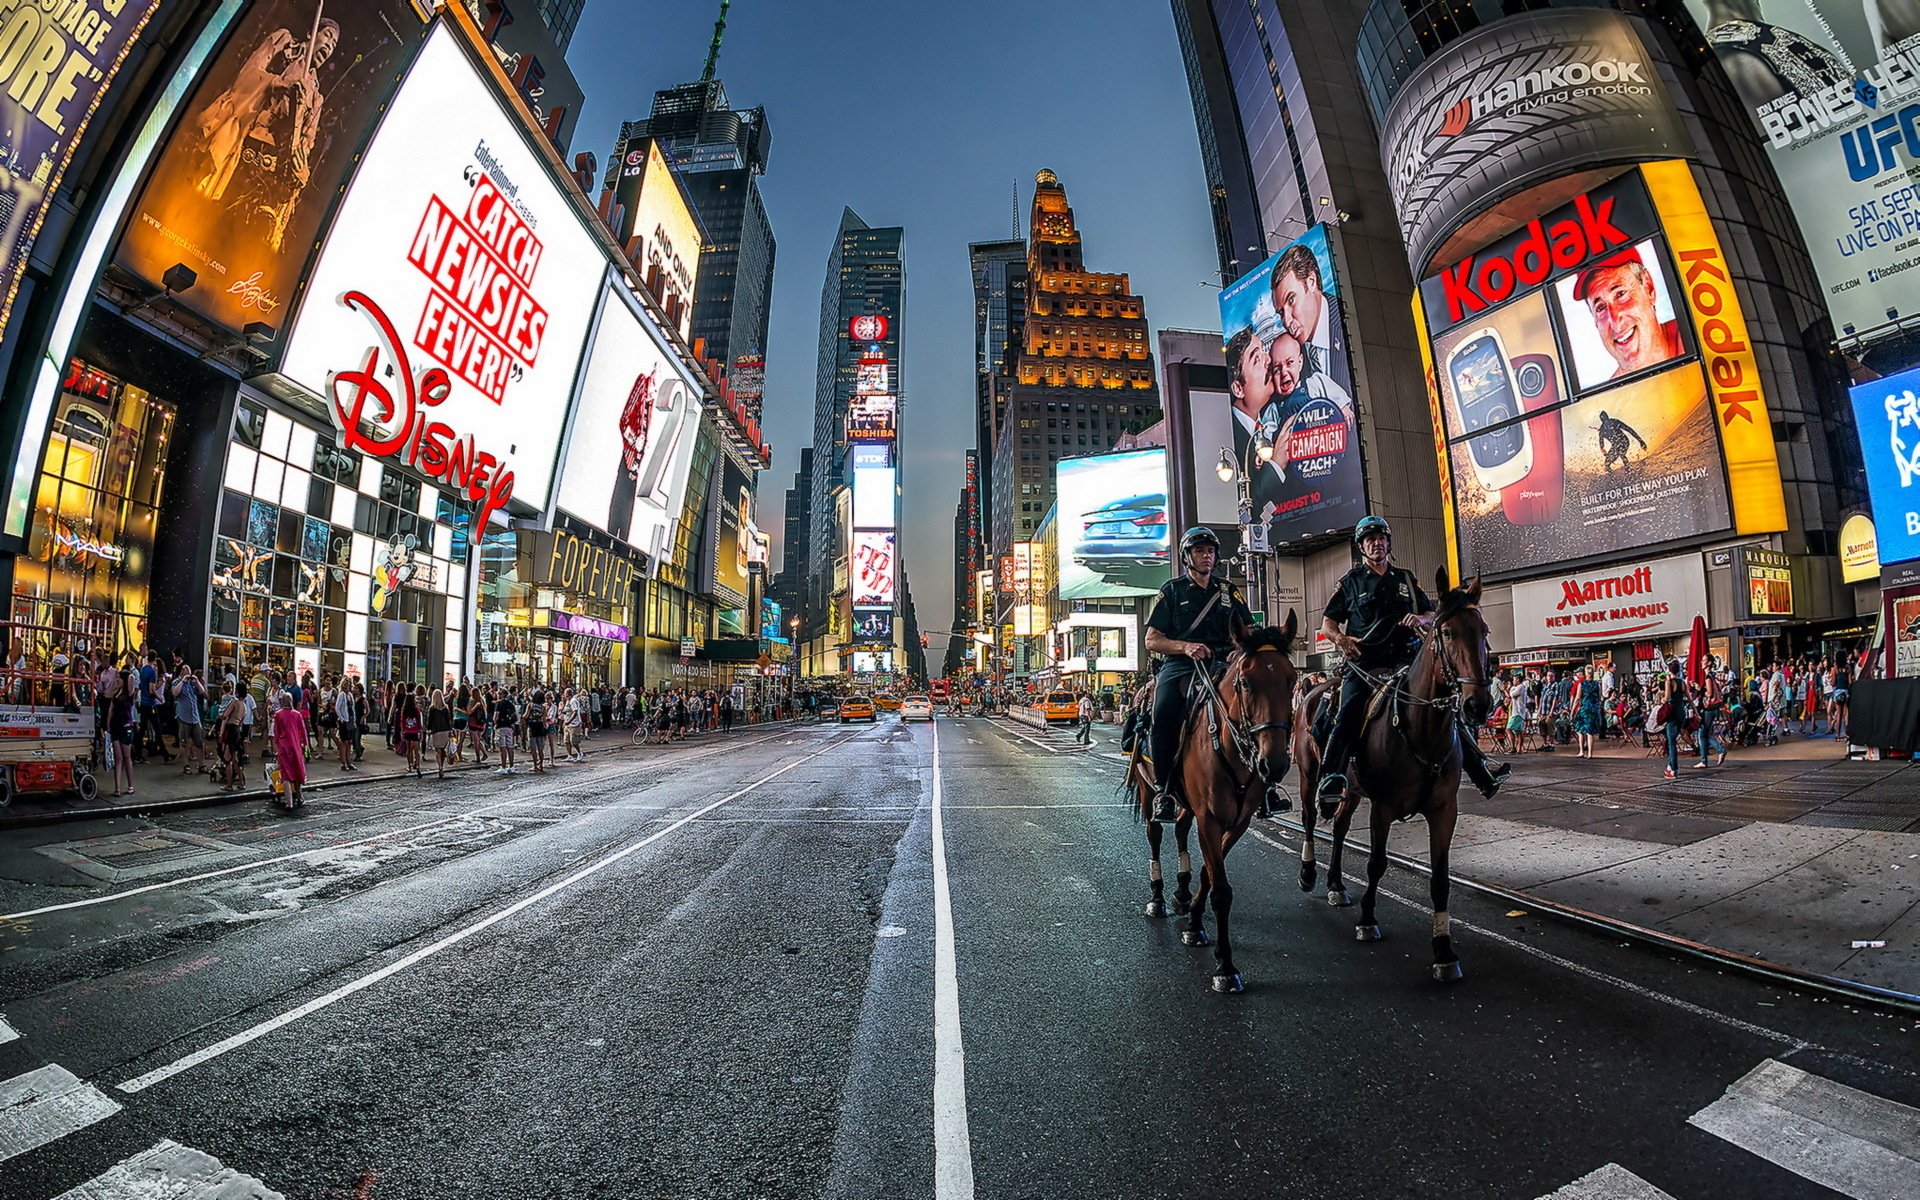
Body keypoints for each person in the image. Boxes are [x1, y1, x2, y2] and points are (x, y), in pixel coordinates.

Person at [1315, 515, 1508, 817]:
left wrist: (1420, 619)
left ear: (1389, 544)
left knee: (1444, 708)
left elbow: (1434, 614)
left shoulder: (1405, 579)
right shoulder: (1350, 582)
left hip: (1406, 660)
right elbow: (1327, 624)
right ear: (1361, 547)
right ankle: (1330, 777)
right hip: (1365, 664)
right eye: (1370, 540)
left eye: (1381, 539)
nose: (1377, 544)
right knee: (1348, 710)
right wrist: (1341, 638)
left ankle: (1479, 768)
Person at [1141, 526, 1254, 821]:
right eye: (1200, 551)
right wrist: (1185, 646)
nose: (1207, 556)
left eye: (1211, 551)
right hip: (1181, 665)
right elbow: (1152, 639)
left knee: (1255, 709)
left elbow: (1249, 630)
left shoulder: (1229, 591)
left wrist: (1240, 649)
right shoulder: (1172, 590)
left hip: (1222, 665)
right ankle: (1164, 789)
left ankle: (1262, 787)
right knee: (1164, 711)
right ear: (1187, 556)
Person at [1573, 249, 1684, 379]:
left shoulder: (1699, 334)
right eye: (1600, 307)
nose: (1615, 324)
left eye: (1620, 294)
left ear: (1648, 288)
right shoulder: (1613, 397)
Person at [271, 688, 309, 809]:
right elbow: (303, 732)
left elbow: (276, 732)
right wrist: (305, 745)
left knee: (286, 775)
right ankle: (299, 797)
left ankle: (289, 802)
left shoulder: (278, 715)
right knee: (297, 772)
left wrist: (276, 746)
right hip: (296, 747)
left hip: (283, 746)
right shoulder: (297, 715)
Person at [171, 664, 208, 777]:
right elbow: (174, 693)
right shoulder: (177, 682)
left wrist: (197, 681)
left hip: (195, 717)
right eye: (186, 671)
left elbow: (203, 693)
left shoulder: (192, 683)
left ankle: (201, 765)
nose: (188, 674)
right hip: (184, 717)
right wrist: (183, 681)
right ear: (182, 672)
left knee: (199, 742)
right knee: (184, 742)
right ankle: (186, 765)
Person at [107, 667, 137, 797]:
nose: (117, 679)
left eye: (119, 678)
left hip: (126, 726)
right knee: (118, 758)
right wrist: (108, 725)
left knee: (126, 757)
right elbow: (111, 709)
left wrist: (127, 673)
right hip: (115, 727)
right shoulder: (116, 693)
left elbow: (132, 679)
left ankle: (130, 785)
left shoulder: (129, 693)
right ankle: (117, 787)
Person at [1660, 673, 1688, 780]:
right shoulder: (1682, 683)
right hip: (1681, 712)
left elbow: (1666, 698)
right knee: (1673, 739)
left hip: (1672, 713)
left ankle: (1674, 769)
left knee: (1671, 742)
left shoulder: (1669, 682)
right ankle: (1670, 765)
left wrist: (1662, 700)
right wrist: (1696, 712)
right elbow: (1689, 698)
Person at [1571, 668, 1602, 759]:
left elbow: (1577, 698)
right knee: (1590, 732)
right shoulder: (1597, 684)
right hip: (1594, 708)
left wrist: (1573, 711)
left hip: (1584, 708)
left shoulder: (1582, 684)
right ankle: (1590, 753)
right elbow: (1599, 698)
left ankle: (1581, 751)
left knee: (1580, 730)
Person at [426, 689, 453, 780]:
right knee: (443, 749)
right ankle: (443, 764)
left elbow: (430, 721)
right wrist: (450, 730)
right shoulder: (445, 708)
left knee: (438, 750)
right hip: (445, 730)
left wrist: (428, 729)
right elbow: (448, 720)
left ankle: (440, 766)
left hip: (436, 730)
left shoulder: (432, 708)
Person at [493, 687, 518, 775]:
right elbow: (515, 716)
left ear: (503, 694)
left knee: (502, 747)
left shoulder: (499, 703)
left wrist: (495, 723)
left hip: (501, 726)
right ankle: (511, 766)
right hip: (509, 726)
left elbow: (496, 716)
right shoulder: (510, 704)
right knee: (509, 747)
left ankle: (503, 766)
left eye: (499, 693)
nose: (498, 695)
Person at [525, 688, 548, 774]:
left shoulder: (530, 705)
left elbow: (526, 715)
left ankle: (535, 766)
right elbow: (544, 721)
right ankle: (541, 765)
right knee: (540, 748)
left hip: (532, 727)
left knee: (533, 748)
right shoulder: (543, 707)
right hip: (540, 726)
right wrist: (545, 731)